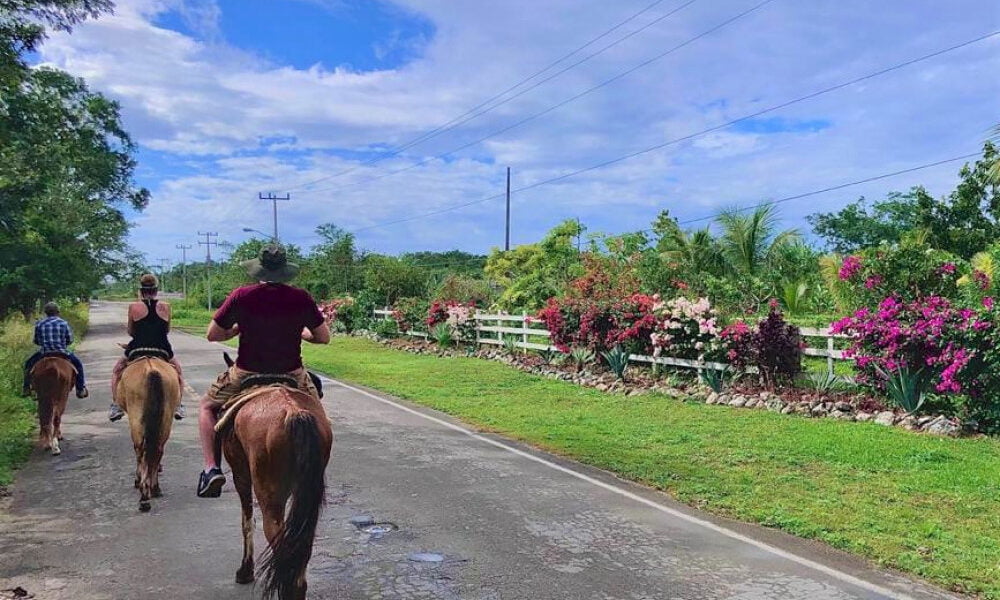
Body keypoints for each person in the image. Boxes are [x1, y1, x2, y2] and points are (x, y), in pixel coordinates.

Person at [196, 244, 330, 498]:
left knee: (205, 407)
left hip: (247, 372)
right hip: (292, 374)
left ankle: (211, 469)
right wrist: (302, 333)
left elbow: (212, 334)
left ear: (258, 269)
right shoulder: (301, 297)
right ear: (285, 271)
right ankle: (316, 465)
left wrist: (234, 330)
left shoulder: (241, 295)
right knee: (318, 414)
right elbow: (323, 337)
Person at [108, 274, 186, 422]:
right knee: (179, 373)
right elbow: (167, 330)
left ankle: (116, 405)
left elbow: (131, 332)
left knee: (117, 371)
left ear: (141, 290)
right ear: (156, 290)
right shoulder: (166, 307)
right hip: (162, 348)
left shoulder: (133, 307)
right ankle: (178, 405)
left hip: (138, 347)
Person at [22, 302, 89, 399]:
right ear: (57, 312)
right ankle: (80, 389)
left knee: (28, 364)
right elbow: (69, 340)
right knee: (78, 365)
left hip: (44, 354)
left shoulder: (40, 324)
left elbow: (36, 341)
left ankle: (27, 388)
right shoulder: (63, 323)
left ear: (46, 313)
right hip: (62, 353)